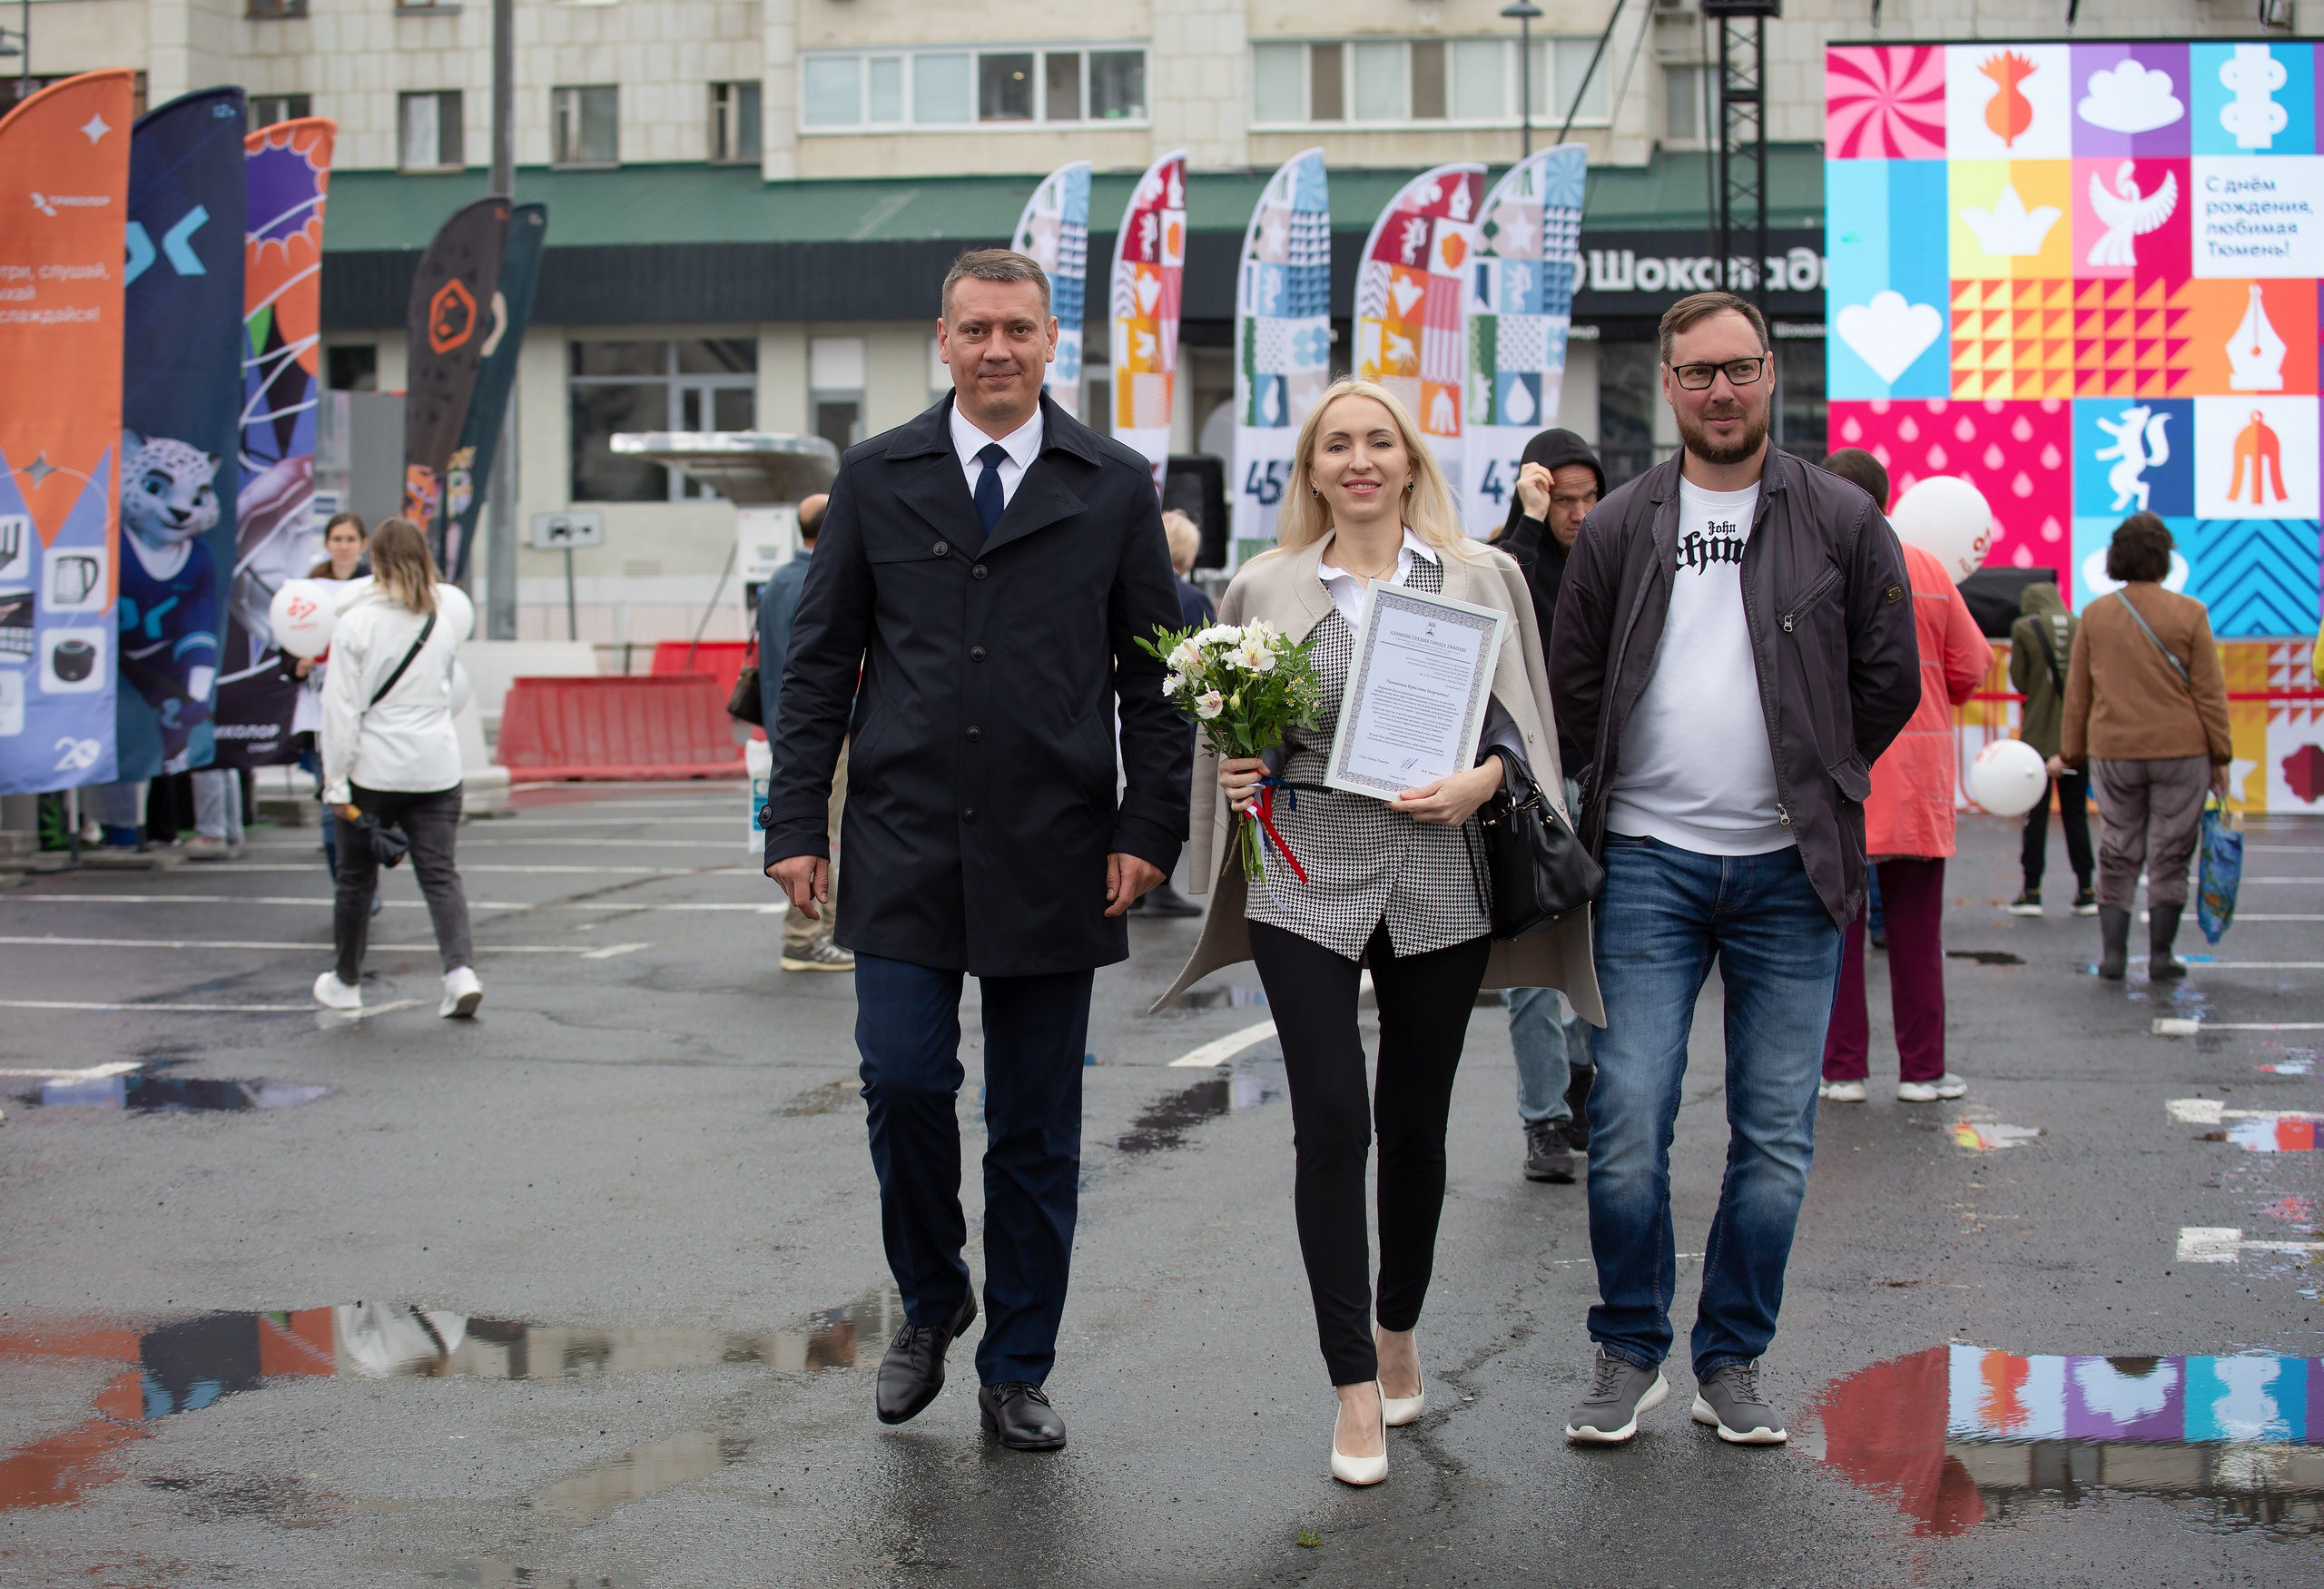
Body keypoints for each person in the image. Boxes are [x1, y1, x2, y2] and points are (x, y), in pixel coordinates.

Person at [762, 249, 1188, 1454]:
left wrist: (1149, 827)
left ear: (1054, 343)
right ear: (940, 342)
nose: (996, 349)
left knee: (1036, 1125)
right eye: (975, 330)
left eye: (1019, 329)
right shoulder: (877, 477)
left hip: (1058, 846)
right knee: (901, 1083)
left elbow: (1157, 680)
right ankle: (932, 1297)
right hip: (899, 840)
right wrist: (796, 823)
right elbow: (818, 670)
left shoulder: (1109, 485)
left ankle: (1017, 1363)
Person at [1157, 379, 1601, 1486]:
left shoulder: (1481, 575)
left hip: (1437, 871)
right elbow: (1227, 735)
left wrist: (1483, 780)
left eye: (1379, 443)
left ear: (1410, 464)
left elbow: (1530, 731)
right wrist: (1241, 764)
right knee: (1329, 1122)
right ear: (1310, 471)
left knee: (1412, 1126)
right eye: (1336, 445)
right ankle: (1353, 1384)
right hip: (1304, 872)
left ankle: (1398, 1322)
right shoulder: (1262, 584)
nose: (1358, 460)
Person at [1550, 291, 1919, 1447]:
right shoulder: (1617, 524)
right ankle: (1628, 1348)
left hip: (1790, 867)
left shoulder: (1841, 520)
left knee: (1773, 1134)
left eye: (1741, 369)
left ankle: (1733, 1359)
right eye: (1699, 372)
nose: (1721, 390)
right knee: (1626, 1121)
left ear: (1771, 376)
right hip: (1647, 864)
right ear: (1668, 383)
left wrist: (1819, 771)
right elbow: (1570, 685)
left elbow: (1888, 674)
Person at [1814, 447, 1987, 1106]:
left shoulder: (1812, 567)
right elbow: (1971, 668)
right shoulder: (1930, 569)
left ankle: (1843, 1069)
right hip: (1918, 777)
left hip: (1841, 776)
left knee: (1839, 933)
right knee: (1918, 935)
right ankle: (1923, 1071)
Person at [310, 518, 483, 1020]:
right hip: (436, 769)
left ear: (374, 561)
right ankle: (460, 973)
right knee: (440, 875)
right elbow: (446, 694)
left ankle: (346, 981)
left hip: (373, 771)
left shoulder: (356, 623)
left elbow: (340, 709)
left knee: (356, 881)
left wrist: (335, 782)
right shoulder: (442, 621)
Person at [1492, 429, 1603, 1184]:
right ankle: (1545, 1119)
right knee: (1533, 961)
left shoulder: (1615, 557)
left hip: (1599, 778)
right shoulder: (1502, 558)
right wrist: (1529, 525)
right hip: (1528, 780)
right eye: (1562, 499)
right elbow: (1504, 613)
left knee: (1606, 953)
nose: (1578, 512)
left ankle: (1583, 1079)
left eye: (1589, 497)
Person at [2057, 514, 2231, 982]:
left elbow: (2079, 695)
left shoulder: (2095, 615)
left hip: (2114, 751)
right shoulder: (2190, 612)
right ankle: (2160, 957)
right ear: (2165, 557)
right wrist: (2222, 757)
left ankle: (2114, 956)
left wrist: (2072, 752)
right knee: (2171, 851)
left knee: (2118, 847)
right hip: (2183, 750)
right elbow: (2209, 695)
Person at [757, 492, 852, 972]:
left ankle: (817, 933)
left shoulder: (778, 581)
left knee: (816, 831)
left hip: (787, 726)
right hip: (824, 733)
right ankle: (806, 937)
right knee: (827, 834)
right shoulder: (822, 580)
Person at [1131, 509, 1213, 921]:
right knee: (1175, 790)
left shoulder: (1132, 588)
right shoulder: (1193, 599)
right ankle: (1161, 884)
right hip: (1182, 713)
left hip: (1137, 708)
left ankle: (1141, 885)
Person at [2008, 578, 2095, 917]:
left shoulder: (2023, 627)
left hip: (2037, 742)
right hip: (2075, 740)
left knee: (2036, 817)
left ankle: (2032, 892)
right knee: (2076, 815)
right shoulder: (2081, 624)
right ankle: (2086, 891)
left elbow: (2020, 680)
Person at [293, 511, 369, 886]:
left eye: (350, 539)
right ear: (326, 543)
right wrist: (298, 662)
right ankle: (346, 885)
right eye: (337, 539)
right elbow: (287, 646)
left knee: (363, 800)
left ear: (362, 544)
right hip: (320, 710)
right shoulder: (308, 589)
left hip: (365, 709)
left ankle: (362, 883)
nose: (343, 546)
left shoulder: (374, 590)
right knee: (330, 802)